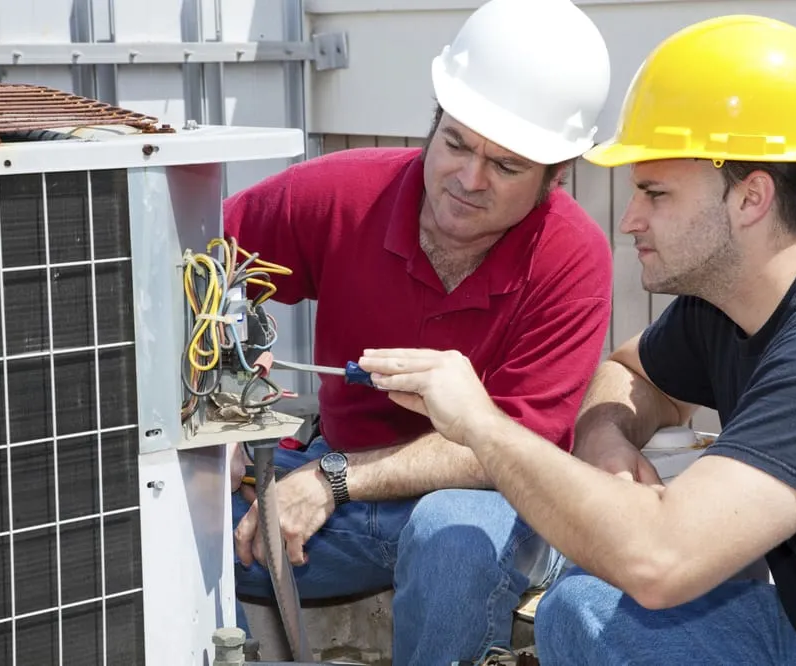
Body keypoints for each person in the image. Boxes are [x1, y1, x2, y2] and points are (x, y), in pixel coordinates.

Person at [358, 14, 796, 666]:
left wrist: (480, 424)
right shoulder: (733, 301)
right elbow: (631, 371)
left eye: (654, 193)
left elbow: (661, 562)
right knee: (581, 612)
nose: (629, 219)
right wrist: (607, 440)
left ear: (749, 199)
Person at [221, 0, 613, 661]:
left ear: (556, 176)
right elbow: (186, 272)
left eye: (507, 166)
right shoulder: (340, 195)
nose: (468, 179)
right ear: (433, 123)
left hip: (483, 510)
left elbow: (513, 447)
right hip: (331, 501)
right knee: (173, 524)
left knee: (451, 534)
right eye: (456, 143)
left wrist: (330, 481)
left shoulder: (573, 257)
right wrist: (214, 404)